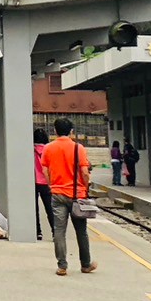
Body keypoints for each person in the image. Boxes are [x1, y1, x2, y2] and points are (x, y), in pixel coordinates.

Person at [40, 116, 96, 276]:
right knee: (81, 231)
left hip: (57, 194)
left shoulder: (49, 148)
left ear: (55, 131)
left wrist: (52, 185)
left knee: (59, 230)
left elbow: (45, 170)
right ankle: (85, 264)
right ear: (71, 131)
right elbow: (84, 172)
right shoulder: (79, 148)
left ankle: (62, 265)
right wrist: (86, 186)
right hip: (77, 195)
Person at [32, 128, 54, 243]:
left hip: (33, 183)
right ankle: (55, 233)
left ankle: (37, 232)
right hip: (46, 183)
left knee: (34, 209)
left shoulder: (31, 149)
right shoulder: (49, 150)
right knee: (50, 209)